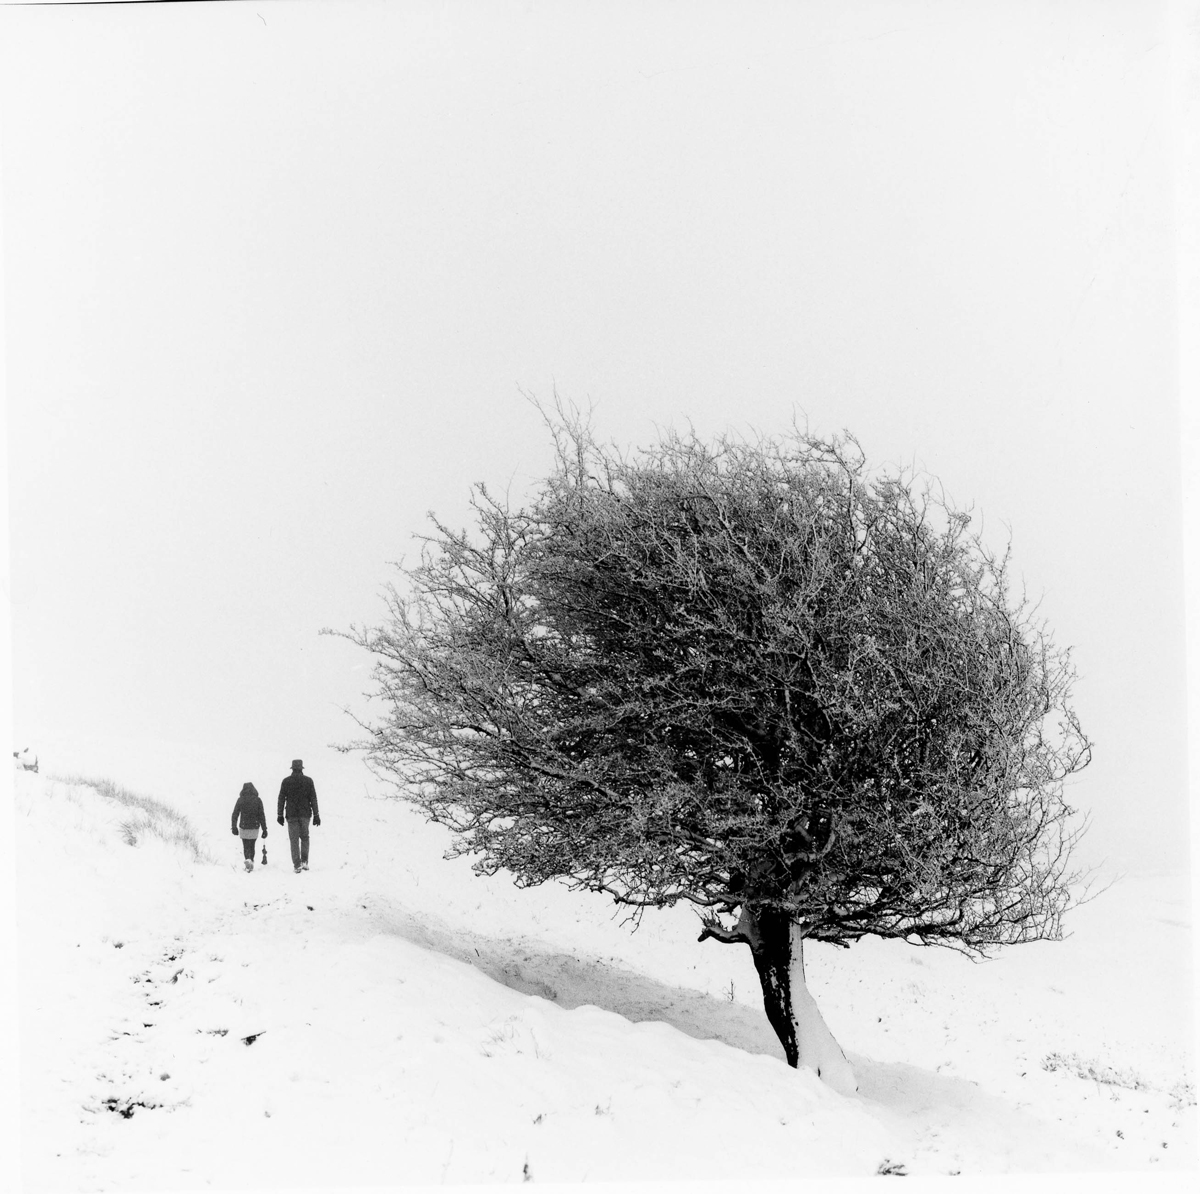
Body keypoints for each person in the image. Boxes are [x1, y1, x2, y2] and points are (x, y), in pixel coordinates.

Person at [277, 758, 320, 873]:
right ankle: (305, 861)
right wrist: (316, 815)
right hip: (305, 814)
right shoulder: (308, 781)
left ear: (292, 769)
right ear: (301, 769)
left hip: (291, 815)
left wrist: (279, 814)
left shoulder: (286, 781)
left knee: (294, 840)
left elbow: (281, 799)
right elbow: (313, 799)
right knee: (305, 837)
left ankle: (297, 864)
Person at [230, 782, 268, 873]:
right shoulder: (258, 800)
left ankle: (248, 859)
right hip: (254, 826)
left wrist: (234, 826)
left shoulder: (240, 800)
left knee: (245, 845)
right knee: (252, 845)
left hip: (244, 826)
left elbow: (235, 814)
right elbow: (261, 815)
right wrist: (264, 829)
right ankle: (251, 859)